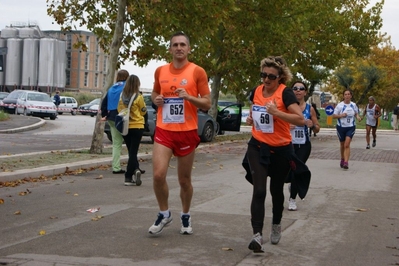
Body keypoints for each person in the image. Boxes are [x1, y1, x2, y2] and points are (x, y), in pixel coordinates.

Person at [148, 32, 211, 235]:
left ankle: (185, 214)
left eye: (183, 44)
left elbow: (207, 103)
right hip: (164, 130)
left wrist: (190, 98)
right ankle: (164, 213)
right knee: (158, 175)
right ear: (170, 49)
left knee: (184, 181)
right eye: (175, 44)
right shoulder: (160, 71)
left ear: (189, 48)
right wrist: (156, 99)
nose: (179, 48)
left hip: (187, 132)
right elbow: (155, 93)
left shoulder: (197, 71)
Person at [244, 56, 308, 253]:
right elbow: (256, 112)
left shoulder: (285, 93)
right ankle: (257, 235)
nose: (266, 79)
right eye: (263, 75)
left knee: (277, 191)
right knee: (260, 190)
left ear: (280, 77)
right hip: (257, 147)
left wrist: (277, 113)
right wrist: (251, 119)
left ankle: (277, 224)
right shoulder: (256, 91)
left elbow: (300, 120)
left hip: (281, 150)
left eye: (271, 76)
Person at [287, 81, 320, 211]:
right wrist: (288, 126)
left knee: (297, 171)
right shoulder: (287, 107)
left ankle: (292, 199)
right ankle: (292, 185)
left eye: (301, 89)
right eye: (295, 88)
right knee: (287, 172)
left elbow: (317, 128)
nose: (298, 90)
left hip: (303, 145)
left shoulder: (309, 109)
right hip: (287, 145)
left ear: (305, 92)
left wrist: (312, 125)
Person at [117, 74, 147, 186]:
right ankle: (128, 176)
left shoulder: (121, 96)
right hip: (137, 126)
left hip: (126, 127)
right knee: (133, 152)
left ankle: (136, 170)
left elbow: (119, 110)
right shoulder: (139, 96)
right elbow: (143, 110)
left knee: (131, 151)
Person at [100, 69, 129, 175]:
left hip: (112, 117)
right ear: (127, 77)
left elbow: (104, 102)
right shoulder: (127, 87)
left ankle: (116, 167)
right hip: (123, 117)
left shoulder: (112, 87)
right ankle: (133, 166)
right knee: (130, 143)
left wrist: (104, 115)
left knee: (116, 144)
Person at [332, 89, 362, 170]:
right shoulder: (339, 106)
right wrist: (341, 115)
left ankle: (346, 162)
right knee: (342, 145)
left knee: (347, 144)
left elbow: (356, 113)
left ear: (351, 96)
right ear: (343, 96)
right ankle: (342, 158)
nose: (347, 96)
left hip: (351, 127)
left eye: (349, 94)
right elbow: (334, 116)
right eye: (346, 94)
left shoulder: (353, 105)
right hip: (341, 127)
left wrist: (358, 117)